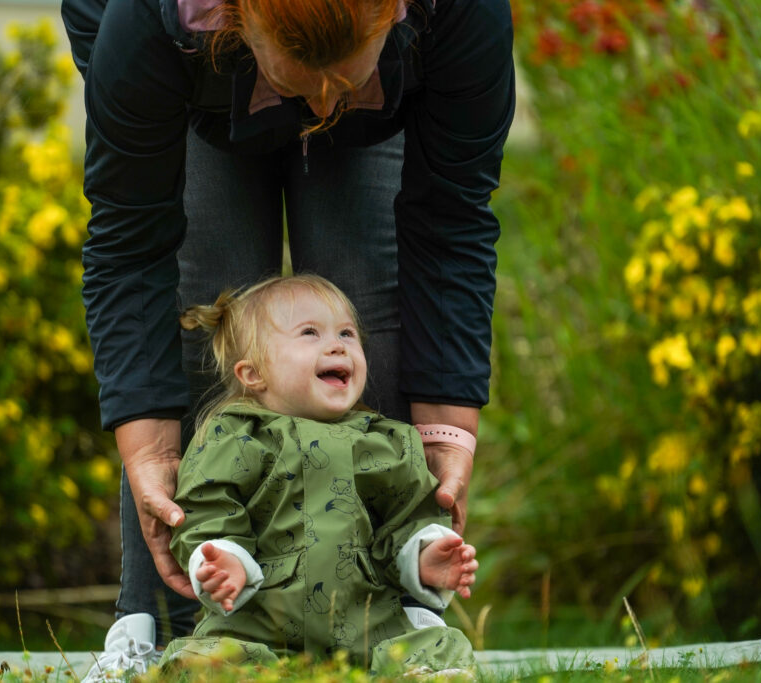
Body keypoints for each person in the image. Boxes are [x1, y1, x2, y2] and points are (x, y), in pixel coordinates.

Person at [60, 0, 514, 675]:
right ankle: (172, 621)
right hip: (192, 72)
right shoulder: (151, 24)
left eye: (344, 79)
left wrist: (447, 435)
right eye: (307, 75)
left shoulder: (457, 14)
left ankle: (392, 620)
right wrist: (149, 441)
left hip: (385, 78)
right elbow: (132, 244)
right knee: (213, 310)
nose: (325, 103)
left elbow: (450, 222)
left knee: (356, 300)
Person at [161, 274, 477, 673]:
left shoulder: (385, 440)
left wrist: (425, 555)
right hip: (257, 626)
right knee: (207, 659)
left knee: (441, 645)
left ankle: (424, 671)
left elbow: (409, 514)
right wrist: (224, 560)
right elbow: (205, 508)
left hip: (370, 626)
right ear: (252, 373)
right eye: (310, 332)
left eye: (347, 333)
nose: (336, 344)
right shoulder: (235, 437)